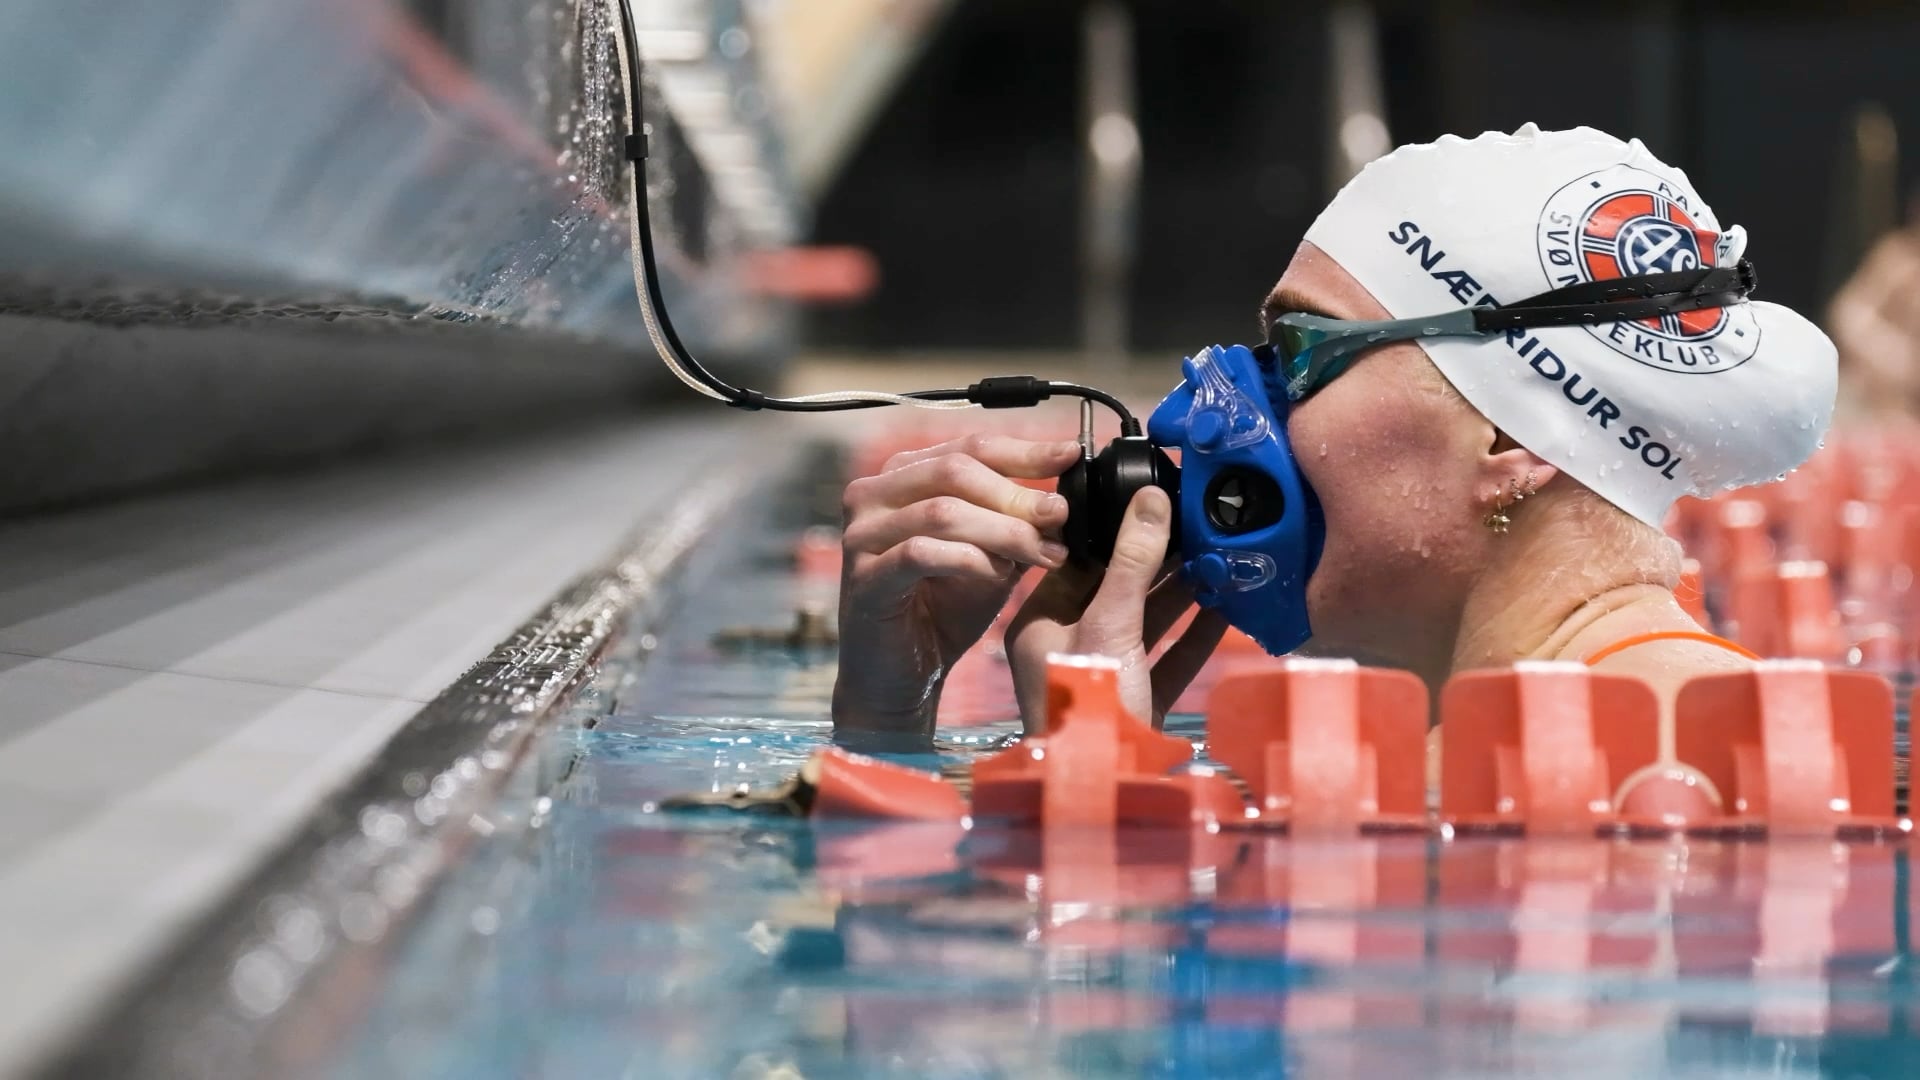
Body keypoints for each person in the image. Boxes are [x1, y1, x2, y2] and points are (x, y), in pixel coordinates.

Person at [832, 126, 1837, 807]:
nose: (1191, 415)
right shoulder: (1489, 755)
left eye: (1304, 350)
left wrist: (1097, 802)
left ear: (1513, 440)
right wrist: (893, 718)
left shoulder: (1648, 763)